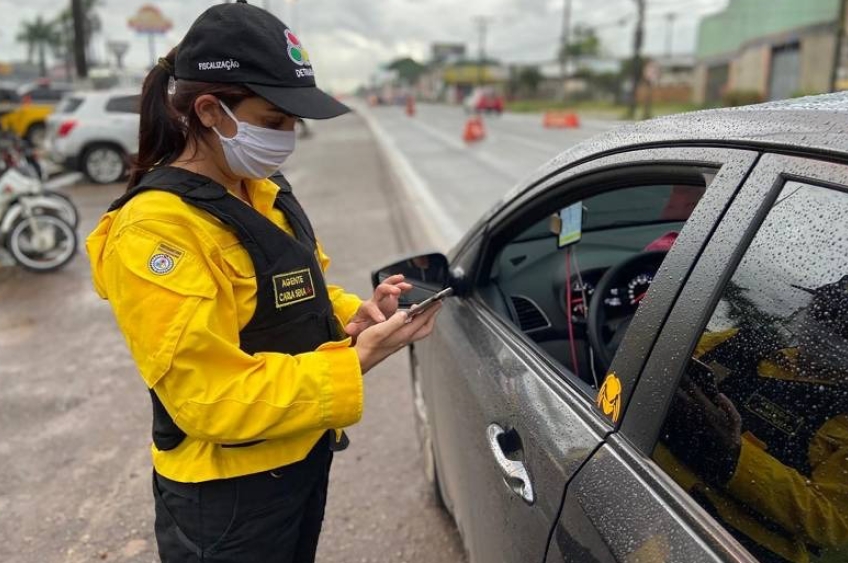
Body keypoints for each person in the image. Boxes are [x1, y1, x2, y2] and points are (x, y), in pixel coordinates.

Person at [85, 2, 441, 562]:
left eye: (292, 124)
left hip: (299, 453)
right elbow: (210, 399)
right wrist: (355, 361)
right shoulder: (156, 232)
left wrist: (355, 312)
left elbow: (297, 286)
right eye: (274, 122)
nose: (287, 138)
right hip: (227, 498)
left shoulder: (261, 190)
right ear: (209, 111)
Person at [658, 276, 848, 563]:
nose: (823, 327)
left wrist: (736, 455)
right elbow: (658, 359)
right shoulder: (740, 341)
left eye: (840, 323)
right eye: (822, 310)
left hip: (734, 543)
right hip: (649, 468)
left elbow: (831, 524)